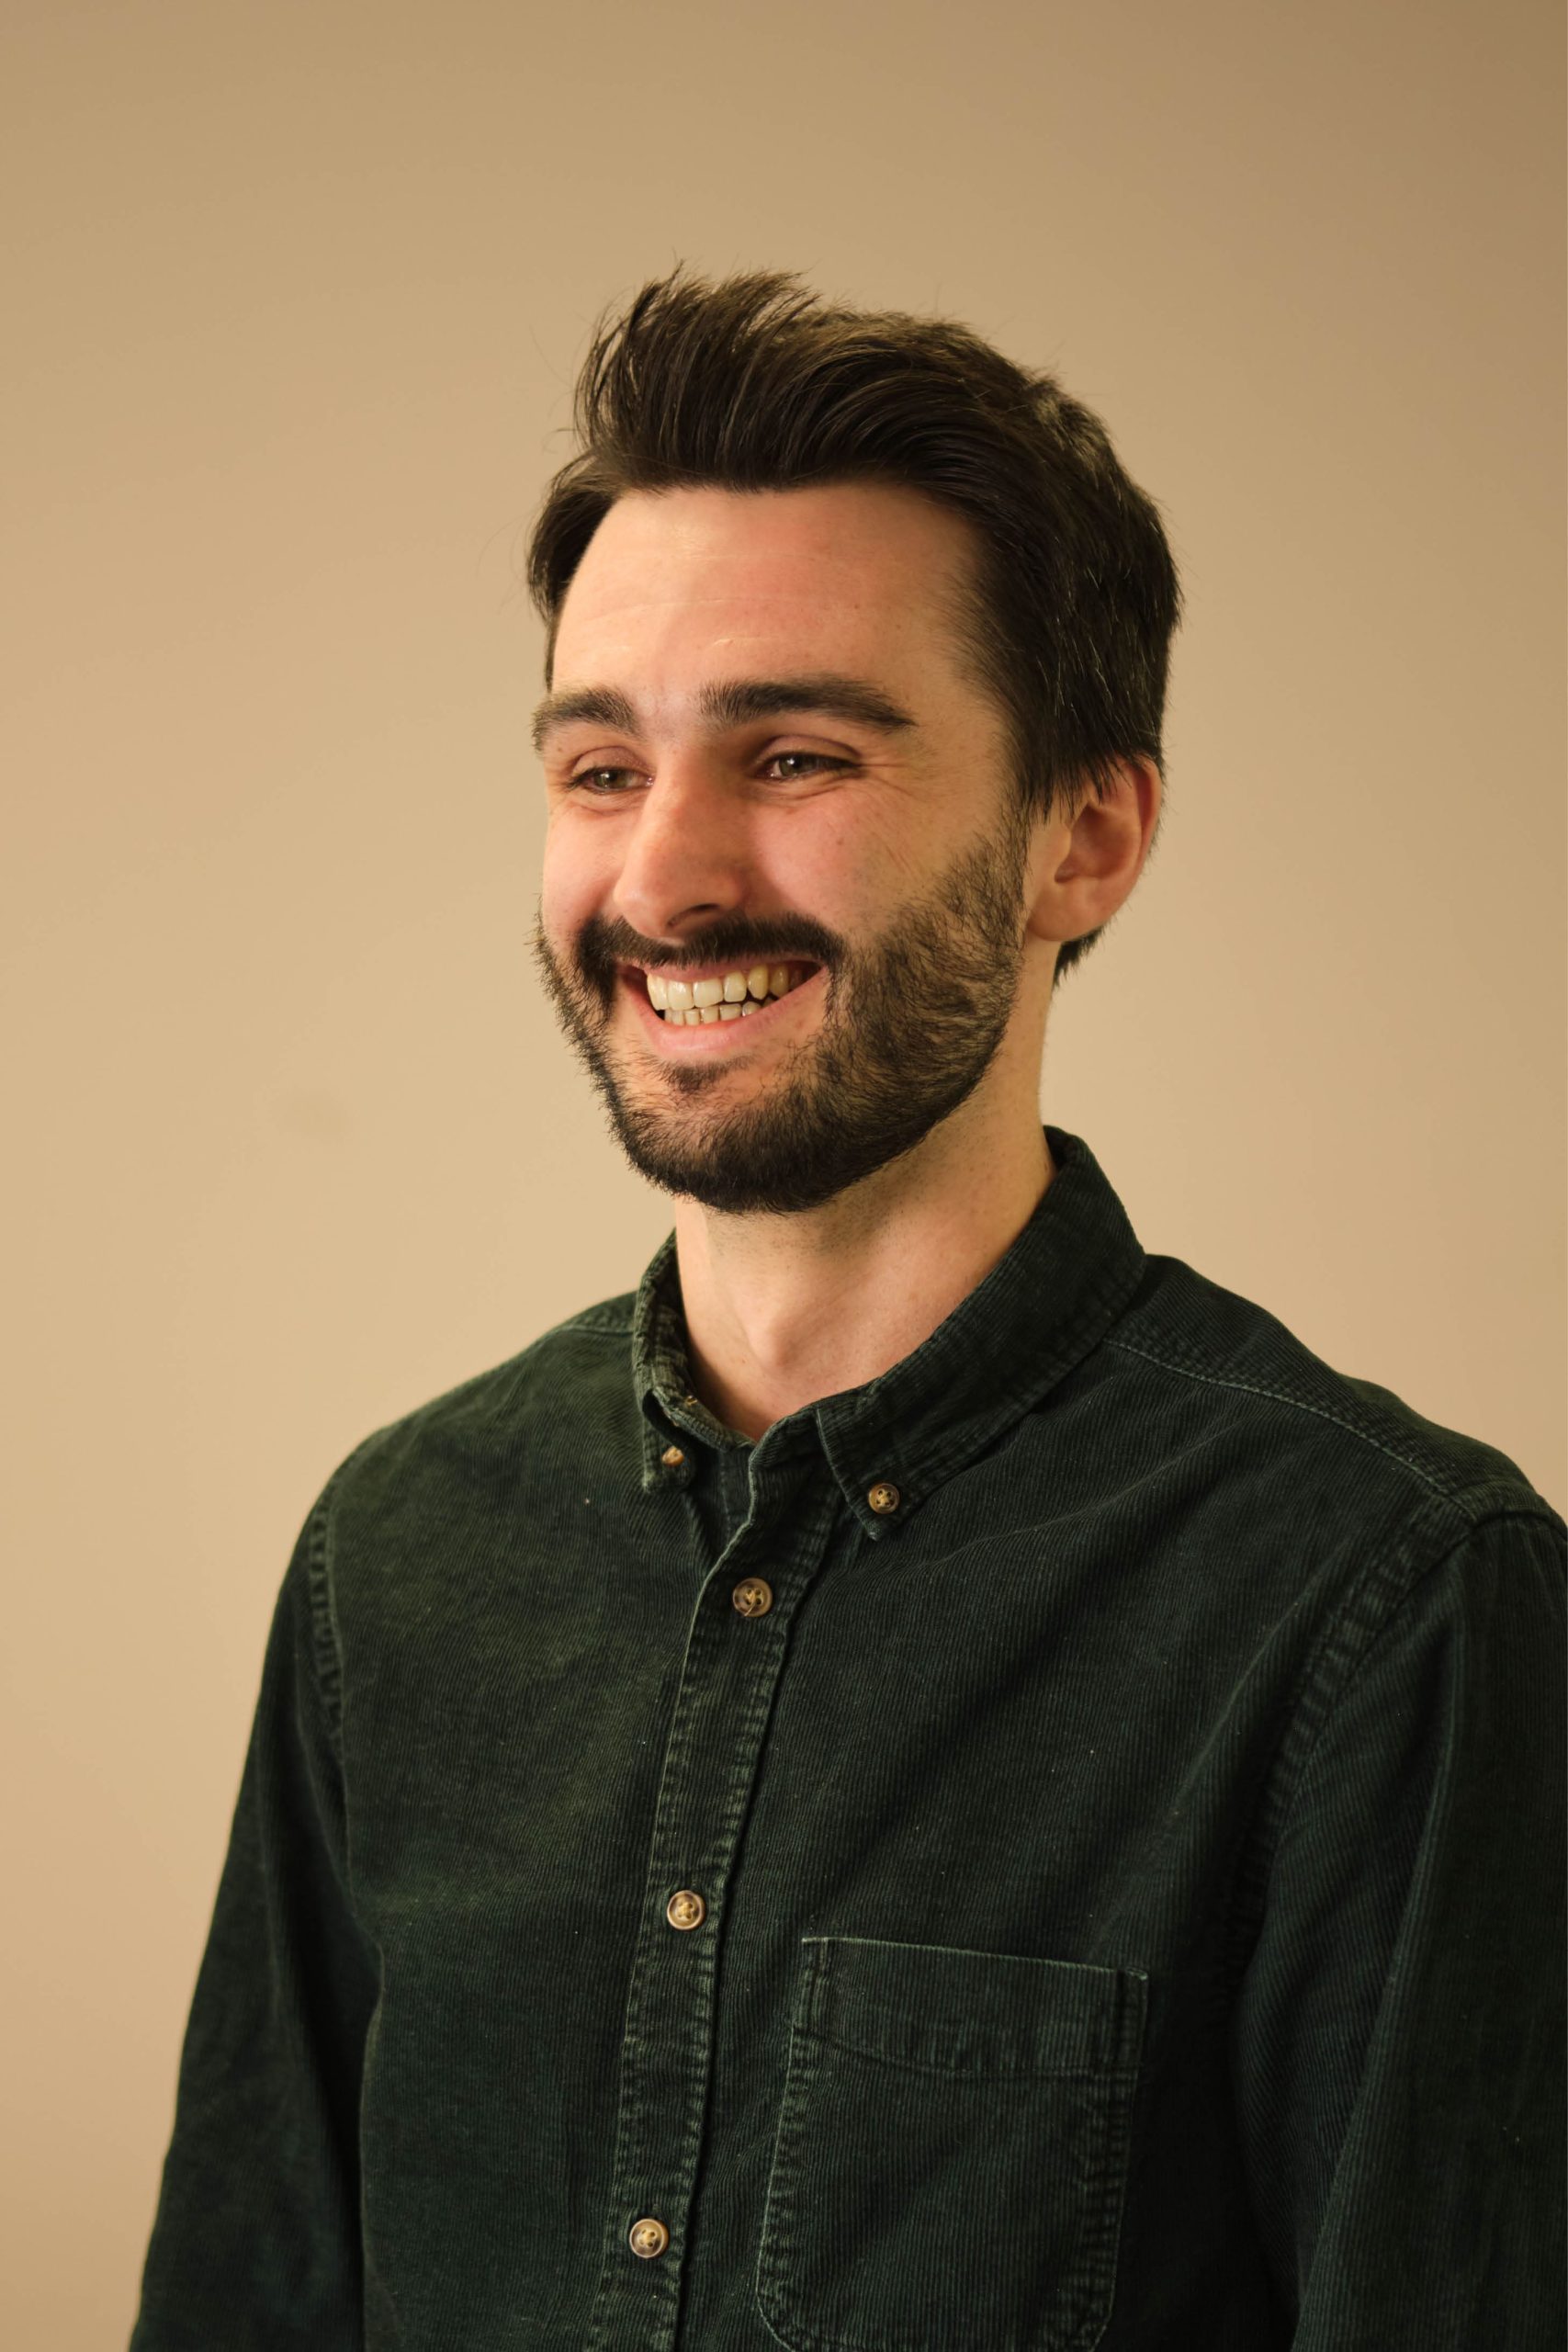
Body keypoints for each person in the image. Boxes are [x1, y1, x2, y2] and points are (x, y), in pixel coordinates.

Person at [130, 266, 1565, 2351]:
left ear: (1084, 833)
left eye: (793, 753)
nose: (667, 877)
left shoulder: (1384, 1605)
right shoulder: (397, 1554)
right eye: (601, 766)